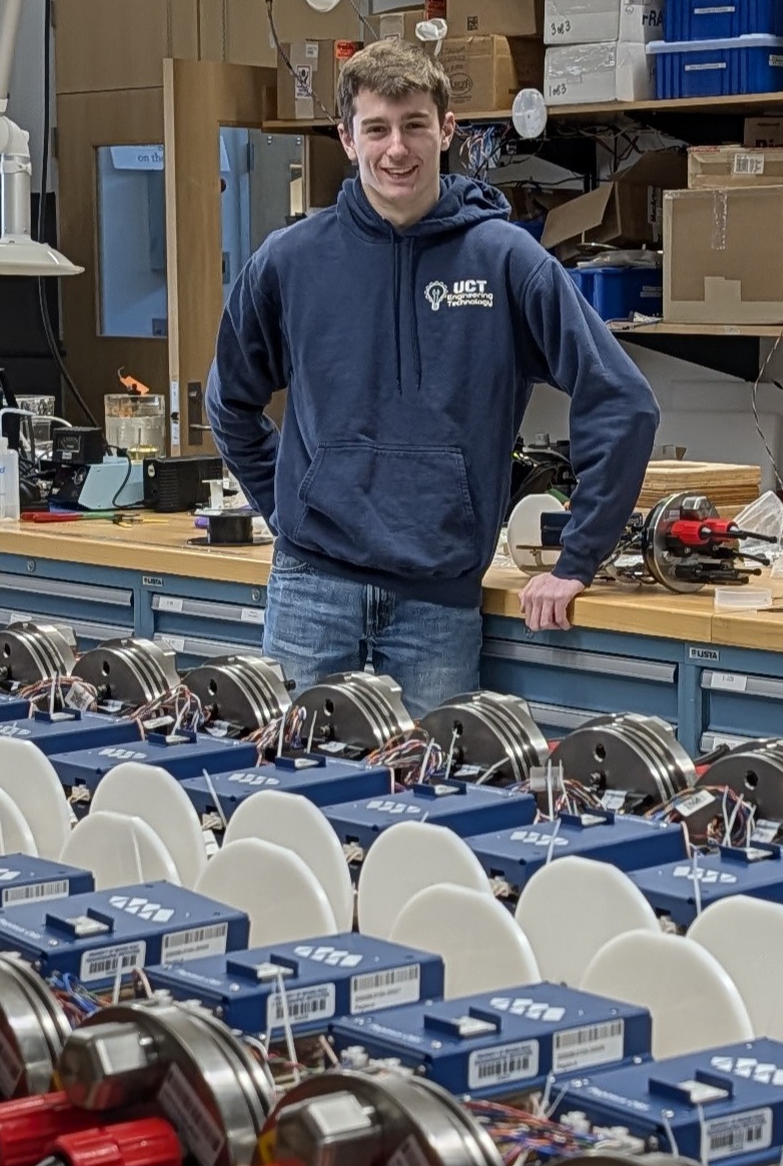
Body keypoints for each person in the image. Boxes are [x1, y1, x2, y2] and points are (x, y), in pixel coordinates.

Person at [206, 38, 657, 704]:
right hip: (310, 594)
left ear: (447, 130)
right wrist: (289, 509)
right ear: (347, 139)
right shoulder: (289, 261)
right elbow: (229, 402)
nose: (397, 149)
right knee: (294, 770)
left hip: (436, 608)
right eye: (377, 129)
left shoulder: (506, 261)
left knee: (429, 774)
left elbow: (621, 400)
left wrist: (578, 558)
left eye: (414, 125)